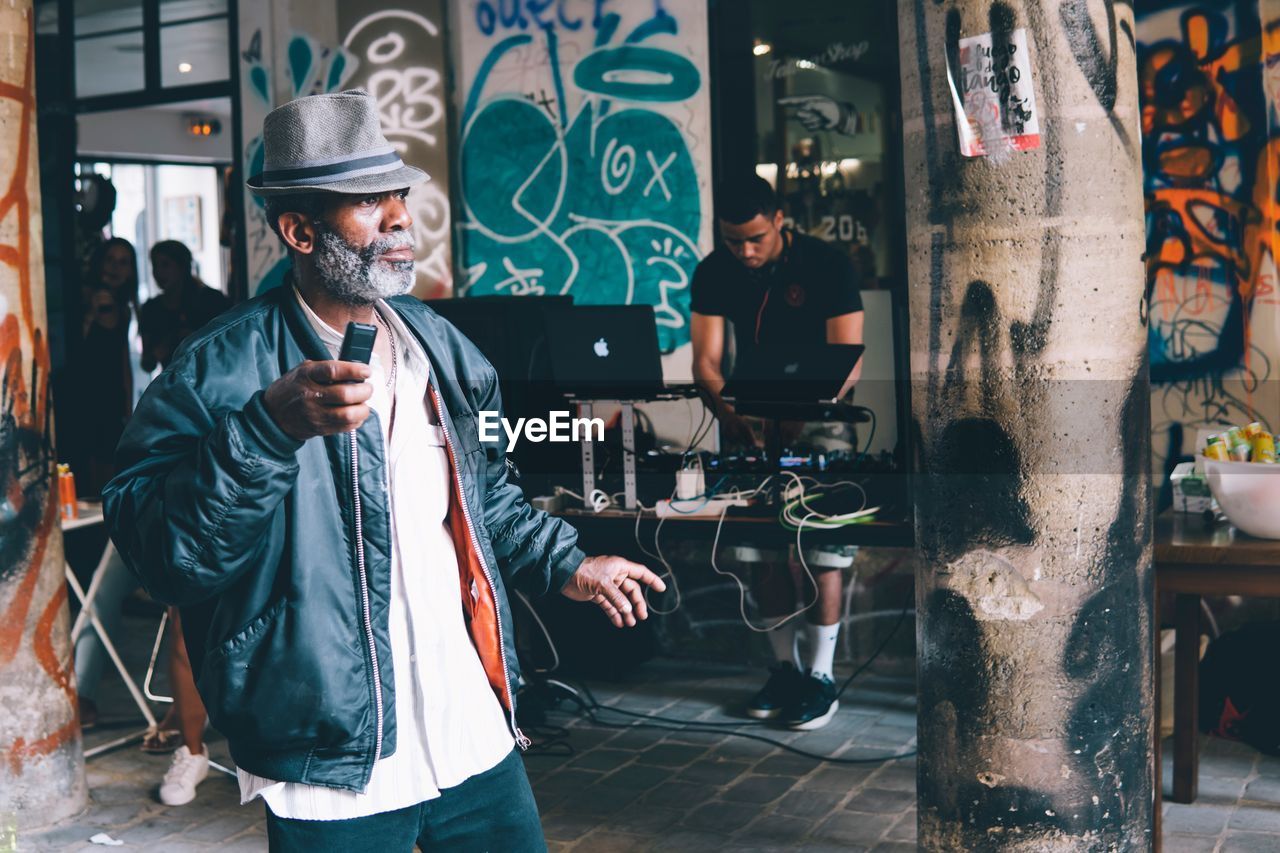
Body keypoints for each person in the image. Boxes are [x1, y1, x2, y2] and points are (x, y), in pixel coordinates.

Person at [103, 88, 665, 852]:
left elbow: (487, 499)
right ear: (299, 229)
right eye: (369, 203)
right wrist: (266, 430)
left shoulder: (446, 350)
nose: (400, 218)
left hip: (469, 734)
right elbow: (167, 556)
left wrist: (570, 561)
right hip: (327, 757)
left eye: (398, 195)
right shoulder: (217, 369)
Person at [690, 176, 864, 730]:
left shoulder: (828, 265)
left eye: (756, 239)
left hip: (821, 419)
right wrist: (730, 416)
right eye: (733, 240)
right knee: (759, 551)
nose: (744, 251)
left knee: (822, 549)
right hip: (750, 420)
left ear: (780, 220)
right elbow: (706, 362)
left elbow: (849, 358)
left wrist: (807, 414)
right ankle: (782, 669)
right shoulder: (715, 270)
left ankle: (820, 675)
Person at [139, 240, 232, 372]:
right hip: (176, 384)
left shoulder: (211, 300)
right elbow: (147, 364)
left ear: (181, 266)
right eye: (155, 265)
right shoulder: (151, 309)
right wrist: (159, 350)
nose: (158, 272)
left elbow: (230, 343)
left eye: (165, 265)